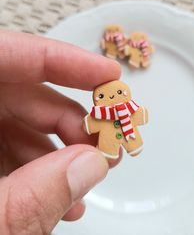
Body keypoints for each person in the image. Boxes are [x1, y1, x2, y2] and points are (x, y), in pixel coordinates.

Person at [0, 29, 121, 234]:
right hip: (109, 141)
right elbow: (91, 125)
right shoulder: (102, 116)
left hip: (122, 137)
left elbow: (138, 116)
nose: (114, 97)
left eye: (118, 94)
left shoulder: (126, 112)